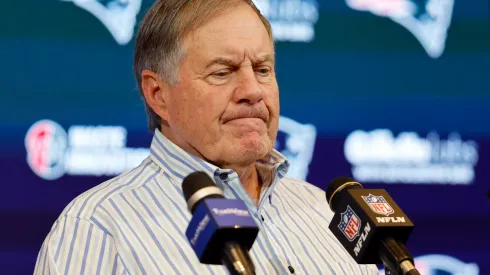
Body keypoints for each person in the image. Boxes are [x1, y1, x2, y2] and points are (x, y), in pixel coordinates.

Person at [34, 0, 379, 274]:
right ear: (158, 95)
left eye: (262, 69)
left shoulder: (324, 212)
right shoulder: (98, 229)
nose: (252, 91)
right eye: (222, 72)